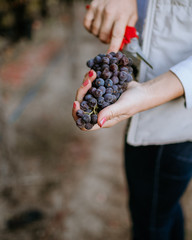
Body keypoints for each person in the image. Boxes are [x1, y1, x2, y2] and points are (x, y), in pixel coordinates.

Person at [72, 0, 192, 239]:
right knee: (163, 210)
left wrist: (148, 93)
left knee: (150, 224)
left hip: (169, 129)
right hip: (156, 117)